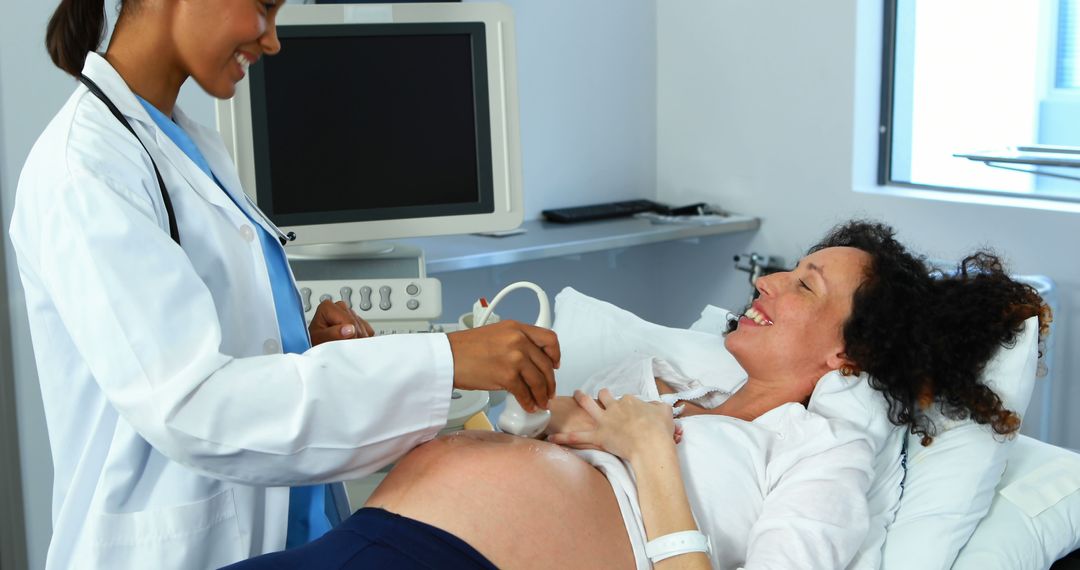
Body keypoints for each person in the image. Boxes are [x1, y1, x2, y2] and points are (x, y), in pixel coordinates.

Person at [9, 1, 560, 567]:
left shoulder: (183, 142)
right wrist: (445, 359)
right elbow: (193, 406)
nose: (271, 40)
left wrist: (299, 340)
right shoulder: (86, 169)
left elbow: (205, 338)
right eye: (264, 7)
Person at [227, 220, 1050, 569]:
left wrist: (652, 454)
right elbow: (507, 455)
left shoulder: (820, 452)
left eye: (803, 283)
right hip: (377, 539)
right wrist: (393, 370)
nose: (765, 280)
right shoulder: (684, 386)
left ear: (848, 352)